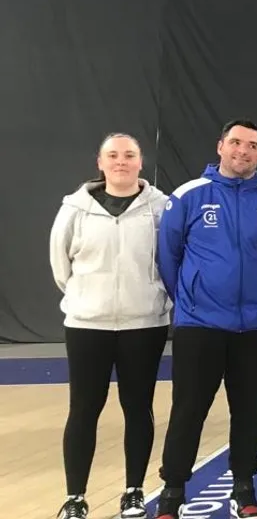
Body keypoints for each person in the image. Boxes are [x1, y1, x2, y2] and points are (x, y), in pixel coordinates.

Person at [154, 119, 257, 519]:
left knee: (248, 411)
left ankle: (244, 489)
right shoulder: (188, 196)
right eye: (236, 142)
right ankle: (173, 491)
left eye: (252, 145)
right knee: (188, 408)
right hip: (199, 325)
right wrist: (192, 298)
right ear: (220, 147)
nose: (243, 151)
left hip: (253, 327)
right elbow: (168, 257)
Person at [49, 134, 171, 519]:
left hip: (144, 325)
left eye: (129, 155)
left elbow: (170, 259)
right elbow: (60, 266)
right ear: (99, 163)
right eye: (113, 155)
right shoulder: (74, 209)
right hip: (88, 326)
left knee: (138, 407)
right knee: (84, 409)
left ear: (141, 162)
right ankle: (75, 497)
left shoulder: (162, 208)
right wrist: (88, 301)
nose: (121, 161)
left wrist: (152, 299)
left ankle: (134, 490)